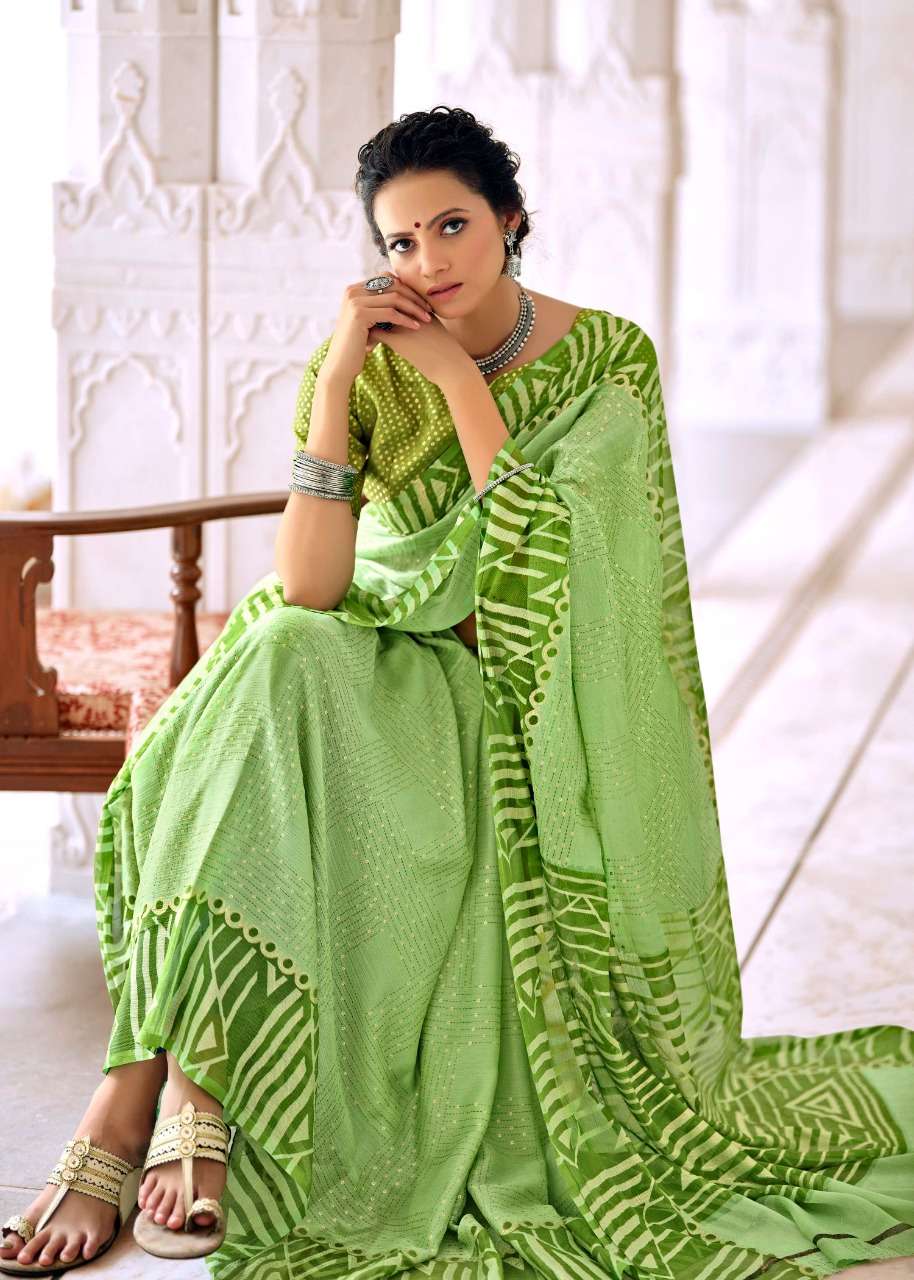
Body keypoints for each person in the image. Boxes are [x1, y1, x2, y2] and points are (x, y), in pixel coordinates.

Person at [3, 105, 913, 1280]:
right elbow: (314, 586)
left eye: (450, 226)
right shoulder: (366, 364)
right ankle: (168, 1085)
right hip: (363, 647)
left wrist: (451, 374)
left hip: (506, 683)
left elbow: (544, 572)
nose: (427, 261)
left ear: (508, 220)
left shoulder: (606, 360)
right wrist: (342, 377)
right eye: (399, 241)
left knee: (275, 678)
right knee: (279, 655)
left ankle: (144, 1092)